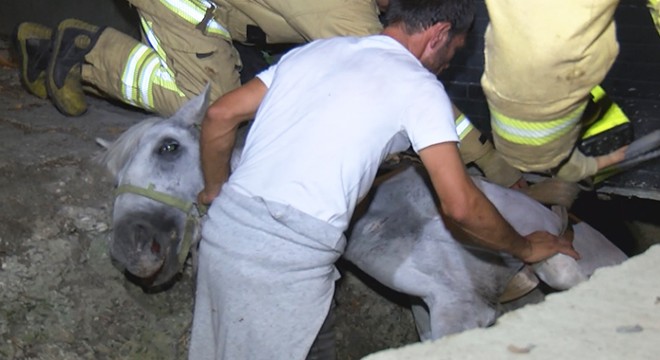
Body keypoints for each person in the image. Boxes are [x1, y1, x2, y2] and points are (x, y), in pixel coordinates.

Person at [190, 0, 579, 358]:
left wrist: (214, 190)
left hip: (222, 237)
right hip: (287, 261)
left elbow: (220, 115)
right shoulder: (419, 87)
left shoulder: (315, 52)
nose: (447, 64)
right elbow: (460, 205)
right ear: (439, 34)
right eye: (453, 52)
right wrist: (525, 248)